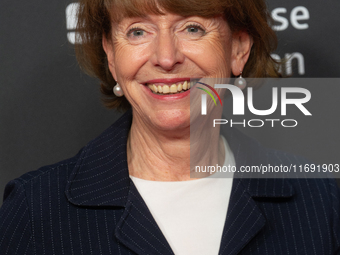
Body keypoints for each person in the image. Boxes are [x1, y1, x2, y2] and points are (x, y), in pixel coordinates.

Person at [1, 0, 339, 254]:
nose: (165, 57)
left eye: (192, 28)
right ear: (111, 55)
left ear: (238, 48)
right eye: (138, 31)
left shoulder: (321, 202)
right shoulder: (36, 211)